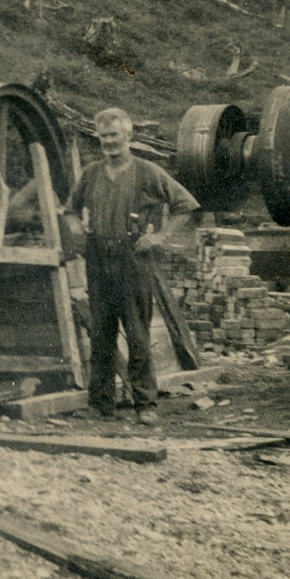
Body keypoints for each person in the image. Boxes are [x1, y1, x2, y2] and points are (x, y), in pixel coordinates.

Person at [62, 107, 199, 424]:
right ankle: (100, 405)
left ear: (128, 137)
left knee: (137, 335)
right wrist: (75, 230)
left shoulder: (148, 172)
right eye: (104, 136)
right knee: (101, 334)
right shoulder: (92, 173)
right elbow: (69, 210)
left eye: (115, 136)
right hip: (98, 257)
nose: (109, 142)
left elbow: (185, 205)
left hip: (133, 259)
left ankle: (145, 405)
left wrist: (161, 237)